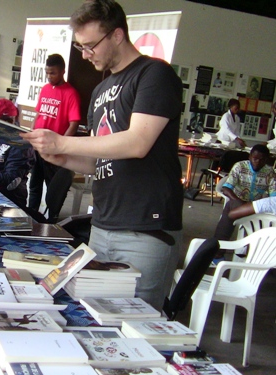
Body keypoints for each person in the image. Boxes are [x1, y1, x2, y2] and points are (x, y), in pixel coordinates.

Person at [21, 0, 184, 310]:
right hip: (103, 224)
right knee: (96, 316)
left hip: (145, 227)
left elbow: (137, 143)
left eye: (90, 45)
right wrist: (61, 158)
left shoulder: (154, 74)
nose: (85, 54)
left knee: (138, 320)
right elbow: (100, 162)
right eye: (80, 47)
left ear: (117, 35)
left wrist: (65, 144)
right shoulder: (100, 90)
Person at [28, 54, 81, 222]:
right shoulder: (44, 89)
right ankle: (31, 217)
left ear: (63, 72)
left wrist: (62, 145)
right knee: (35, 184)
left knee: (53, 189)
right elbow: (39, 114)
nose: (50, 77)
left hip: (54, 149)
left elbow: (74, 123)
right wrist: (32, 133)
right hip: (38, 146)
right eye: (47, 73)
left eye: (53, 73)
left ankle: (52, 220)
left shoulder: (70, 93)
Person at [213, 144, 276, 256]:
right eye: (255, 158)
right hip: (237, 199)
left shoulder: (269, 172)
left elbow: (273, 194)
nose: (257, 162)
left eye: (262, 160)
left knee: (266, 219)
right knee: (229, 213)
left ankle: (248, 253)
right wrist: (239, 202)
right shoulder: (240, 166)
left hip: (255, 205)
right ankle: (217, 251)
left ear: (266, 160)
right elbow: (226, 188)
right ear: (250, 156)